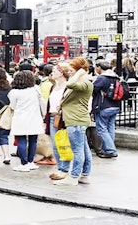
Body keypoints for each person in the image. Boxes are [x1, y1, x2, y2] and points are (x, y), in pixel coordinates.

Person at [53, 57, 94, 185]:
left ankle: (74, 177)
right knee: (84, 150)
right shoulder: (83, 83)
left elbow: (69, 84)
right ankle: (85, 175)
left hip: (75, 120)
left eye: (71, 70)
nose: (69, 73)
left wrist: (80, 73)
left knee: (77, 150)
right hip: (77, 119)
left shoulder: (85, 83)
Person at [8, 70, 44, 171]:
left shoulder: (14, 92)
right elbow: (42, 102)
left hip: (20, 118)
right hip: (35, 117)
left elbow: (12, 106)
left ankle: (23, 164)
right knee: (33, 141)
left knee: (21, 140)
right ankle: (30, 162)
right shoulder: (36, 89)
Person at [91, 59, 122, 159]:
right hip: (115, 105)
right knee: (110, 128)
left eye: (96, 67)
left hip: (103, 106)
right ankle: (106, 150)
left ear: (99, 68)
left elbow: (93, 89)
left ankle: (111, 150)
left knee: (101, 129)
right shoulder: (116, 77)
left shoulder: (102, 78)